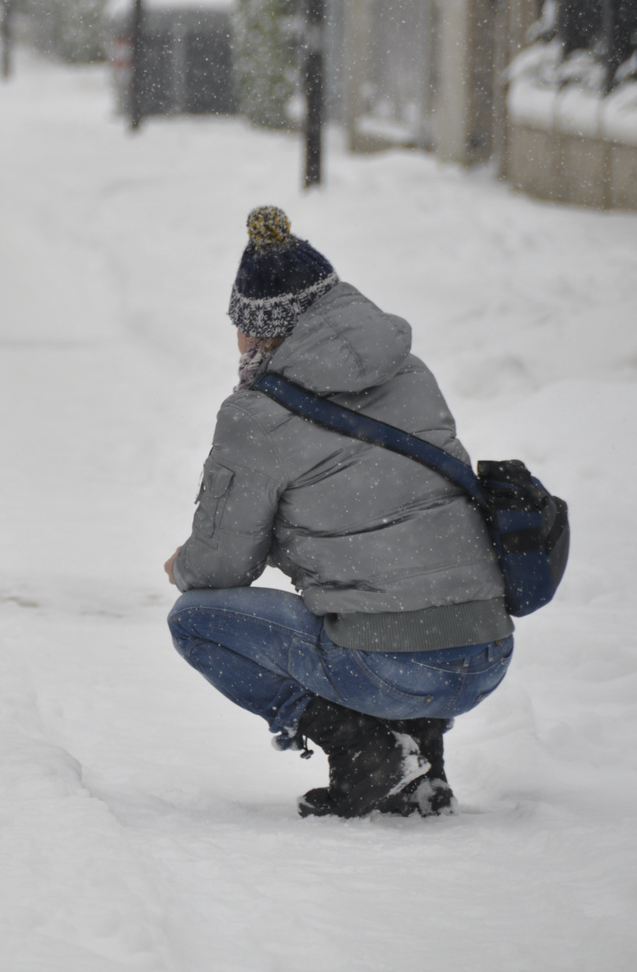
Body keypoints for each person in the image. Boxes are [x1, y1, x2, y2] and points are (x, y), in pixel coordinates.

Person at [164, 206, 514, 819]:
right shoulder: (410, 373)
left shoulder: (256, 415)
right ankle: (420, 756)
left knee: (195, 619)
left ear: (260, 331)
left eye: (239, 329)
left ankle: (367, 750)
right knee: (399, 586)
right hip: (484, 654)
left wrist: (184, 567)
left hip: (391, 669)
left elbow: (222, 567)